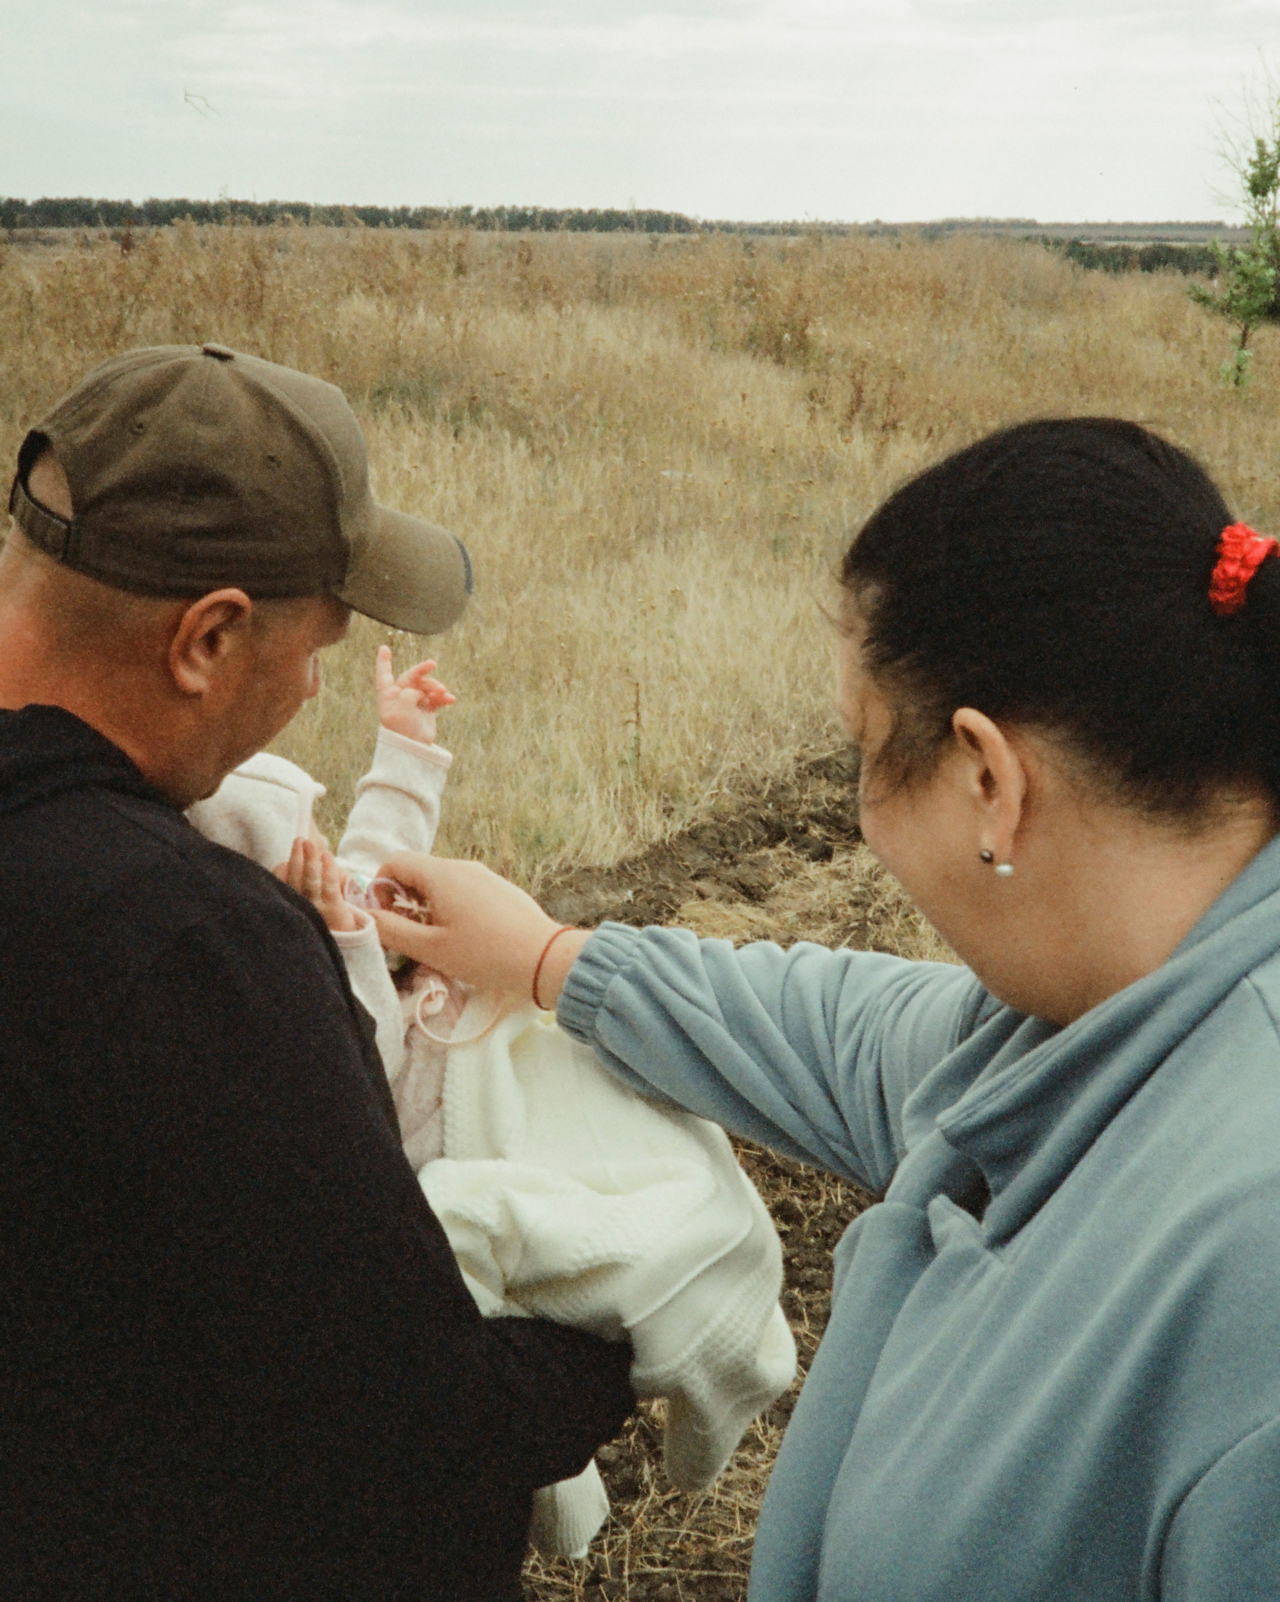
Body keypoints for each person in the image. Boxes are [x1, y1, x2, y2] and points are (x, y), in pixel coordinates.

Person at [369, 416, 1280, 1601]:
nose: (855, 806)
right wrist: (546, 957)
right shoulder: (1081, 1019)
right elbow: (838, 1031)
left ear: (986, 782)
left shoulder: (1248, 1257)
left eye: (861, 750)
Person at [0, 343, 633, 1601]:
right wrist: (608, 1348)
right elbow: (405, 1424)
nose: (308, 689)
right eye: (321, 651)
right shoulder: (188, 945)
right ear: (209, 638)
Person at [188, 644, 797, 1559]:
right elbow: (358, 1070)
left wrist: (405, 749)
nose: (318, 861)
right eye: (290, 850)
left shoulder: (309, 881)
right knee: (616, 1207)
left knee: (647, 1124)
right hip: (446, 1118)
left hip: (492, 1044)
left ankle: (713, 1265)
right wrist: (347, 945)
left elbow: (376, 863)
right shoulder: (265, 973)